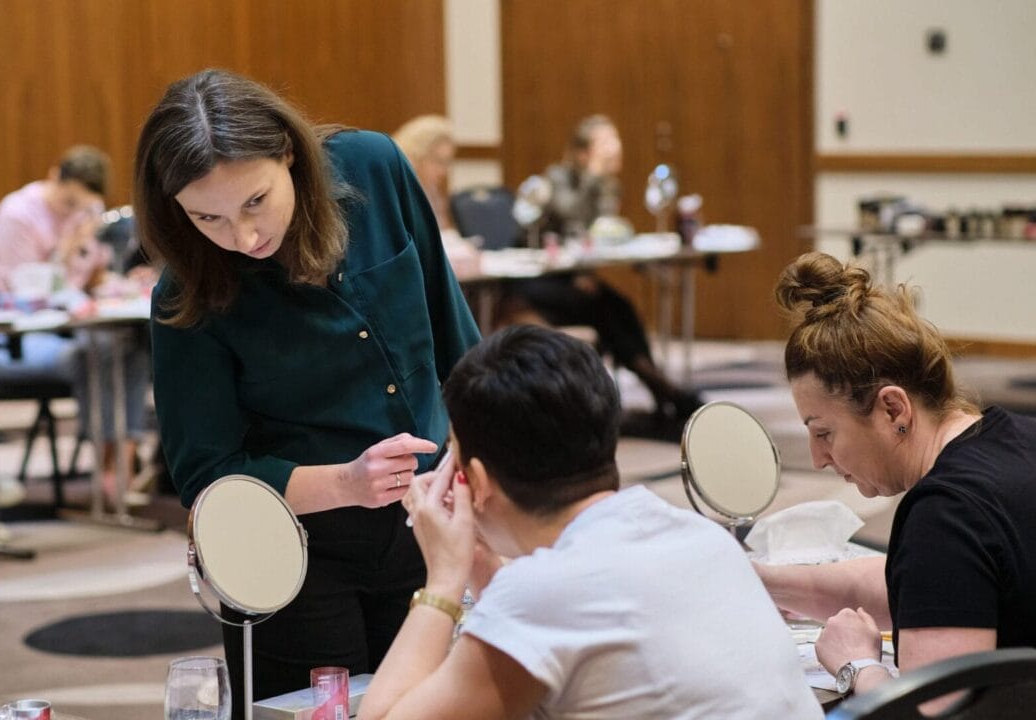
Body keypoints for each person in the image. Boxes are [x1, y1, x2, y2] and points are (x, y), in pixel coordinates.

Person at [133, 69, 480, 714]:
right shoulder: (187, 293)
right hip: (289, 551)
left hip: (425, 520)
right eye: (207, 217)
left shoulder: (373, 167)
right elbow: (209, 476)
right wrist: (345, 483)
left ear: (289, 153)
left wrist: (477, 468)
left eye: (255, 201)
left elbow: (457, 339)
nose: (243, 237)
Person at [358, 325, 822, 719]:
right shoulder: (700, 536)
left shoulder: (544, 592)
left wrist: (443, 579)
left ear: (474, 480)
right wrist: (478, 560)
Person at [756, 251, 1036, 704]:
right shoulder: (1019, 438)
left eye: (824, 433)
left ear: (892, 409)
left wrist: (857, 665)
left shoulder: (946, 515)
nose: (817, 459)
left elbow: (929, 716)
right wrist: (765, 580)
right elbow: (919, 584)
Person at [0, 145, 150, 504]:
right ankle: (108, 469)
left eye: (83, 205)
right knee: (95, 353)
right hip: (16, 338)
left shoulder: (89, 212)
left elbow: (93, 275)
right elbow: (28, 290)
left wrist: (121, 283)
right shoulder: (17, 214)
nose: (74, 212)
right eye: (68, 202)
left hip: (69, 330)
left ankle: (121, 460)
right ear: (55, 175)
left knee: (134, 349)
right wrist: (67, 247)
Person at [519, 115, 702, 427]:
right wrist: (592, 176)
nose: (615, 147)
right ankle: (659, 385)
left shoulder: (608, 184)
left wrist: (600, 183)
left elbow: (600, 229)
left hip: (575, 278)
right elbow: (571, 216)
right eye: (605, 141)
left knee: (621, 307)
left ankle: (657, 383)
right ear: (582, 153)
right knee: (605, 310)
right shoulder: (556, 178)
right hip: (540, 281)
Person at [391, 115, 481, 278]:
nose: (444, 171)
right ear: (415, 156)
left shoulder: (431, 190)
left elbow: (442, 232)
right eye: (438, 161)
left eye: (448, 162)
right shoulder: (397, 191)